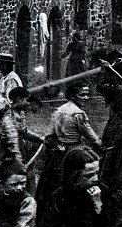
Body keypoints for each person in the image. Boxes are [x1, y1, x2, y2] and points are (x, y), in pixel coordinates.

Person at [35, 83, 102, 211]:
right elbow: (91, 135)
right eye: (82, 95)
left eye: (87, 95)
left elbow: (49, 135)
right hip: (73, 150)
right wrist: (100, 144)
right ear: (72, 96)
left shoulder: (58, 110)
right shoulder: (78, 113)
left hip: (57, 152)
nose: (86, 98)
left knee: (52, 183)